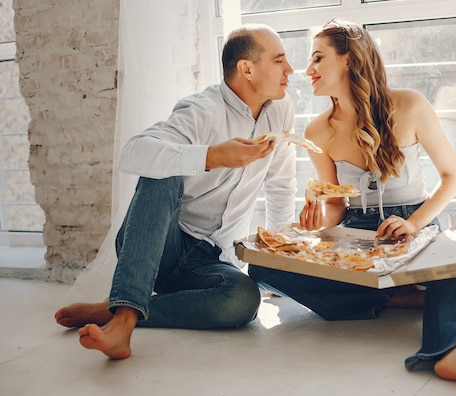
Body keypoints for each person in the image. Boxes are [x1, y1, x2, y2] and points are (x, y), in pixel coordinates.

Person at [248, 18, 456, 385]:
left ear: (348, 59)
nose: (307, 69)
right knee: (262, 269)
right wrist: (316, 222)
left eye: (318, 58)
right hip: (356, 231)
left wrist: (414, 224)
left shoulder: (410, 105)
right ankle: (394, 298)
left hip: (415, 220)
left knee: (454, 259)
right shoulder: (318, 130)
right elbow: (336, 207)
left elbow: (452, 176)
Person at [54, 24, 297, 359]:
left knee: (243, 301)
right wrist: (212, 156)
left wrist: (281, 263)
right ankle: (123, 321)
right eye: (279, 61)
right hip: (158, 245)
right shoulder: (203, 110)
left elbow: (281, 185)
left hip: (212, 259)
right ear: (247, 68)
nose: (291, 70)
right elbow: (134, 152)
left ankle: (120, 308)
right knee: (162, 170)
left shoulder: (281, 111)